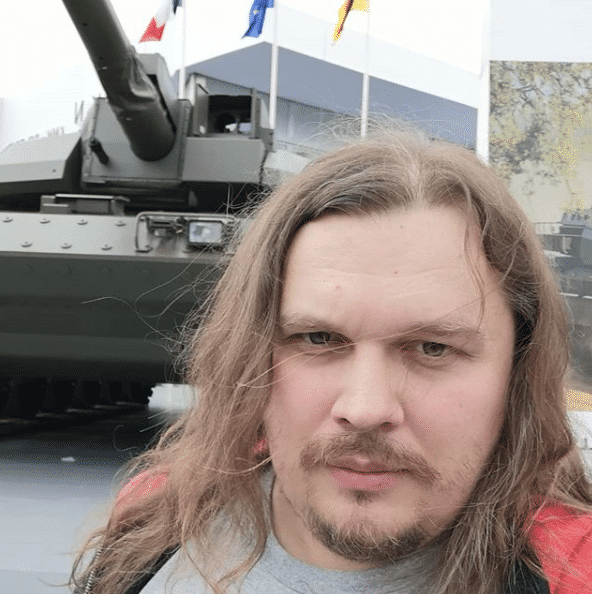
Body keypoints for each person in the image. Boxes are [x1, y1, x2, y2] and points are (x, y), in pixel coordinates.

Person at [71, 128, 592, 594]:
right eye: (318, 338)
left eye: (433, 348)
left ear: (518, 370)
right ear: (251, 350)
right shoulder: (158, 517)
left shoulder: (572, 571)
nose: (365, 410)